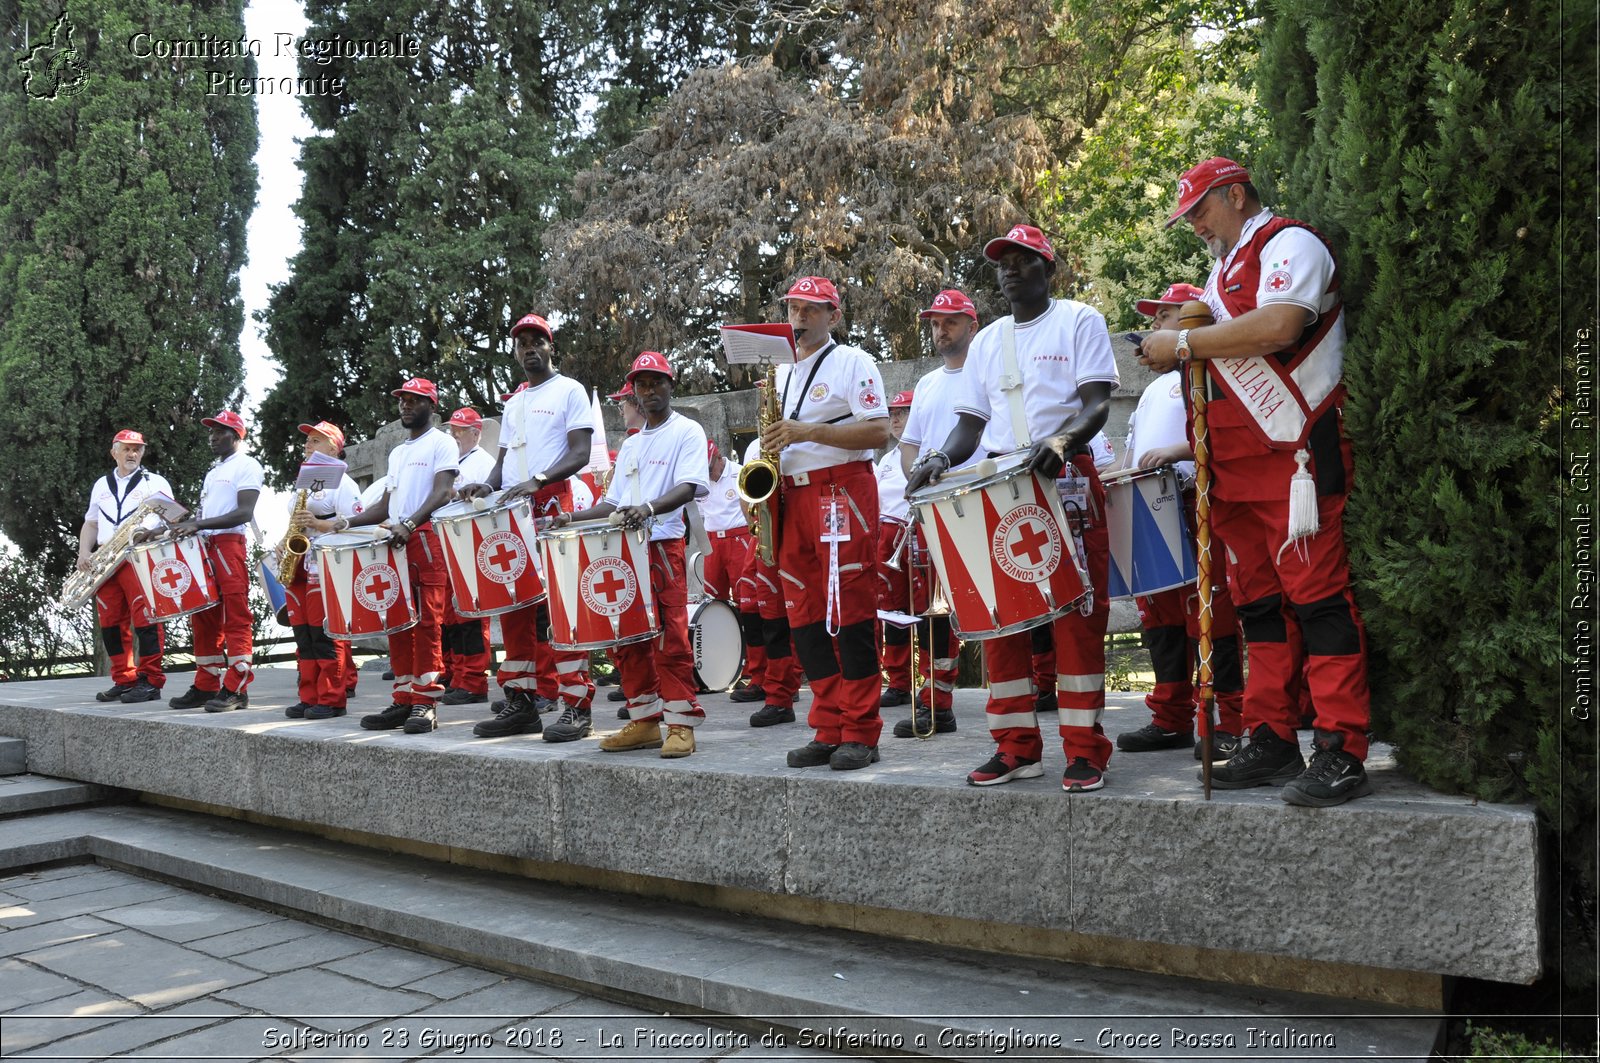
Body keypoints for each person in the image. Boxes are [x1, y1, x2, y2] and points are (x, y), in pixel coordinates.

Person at [1137, 156, 1373, 806]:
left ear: (1236, 194)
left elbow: (1279, 326)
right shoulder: (1222, 269)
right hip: (1235, 475)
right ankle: (1270, 733)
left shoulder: (1288, 244)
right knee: (1261, 609)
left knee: (1321, 602)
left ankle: (1341, 746)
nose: (1193, 226)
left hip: (1294, 462)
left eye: (1200, 211)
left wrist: (1184, 344)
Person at [905, 225, 1119, 792]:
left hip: (1064, 478)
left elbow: (1098, 402)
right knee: (997, 618)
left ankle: (1084, 749)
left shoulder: (1079, 319)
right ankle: (1016, 747)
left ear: (1049, 268)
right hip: (997, 487)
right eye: (1002, 262)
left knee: (1077, 618)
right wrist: (937, 459)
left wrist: (1063, 442)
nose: (1009, 270)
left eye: (1023, 261)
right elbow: (971, 426)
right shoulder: (990, 339)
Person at [1110, 283, 1245, 759]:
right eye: (1155, 318)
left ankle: (1229, 719)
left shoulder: (1210, 371)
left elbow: (1228, 433)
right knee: (1160, 616)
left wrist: (1176, 451)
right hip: (1150, 504)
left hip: (1194, 502)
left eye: (1164, 317)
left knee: (1212, 613)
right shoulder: (1151, 388)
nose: (1154, 328)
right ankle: (1170, 717)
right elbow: (1131, 447)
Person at [763, 276, 891, 771]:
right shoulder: (777, 373)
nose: (799, 316)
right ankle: (828, 724)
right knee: (804, 615)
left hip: (840, 491)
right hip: (790, 499)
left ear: (833, 316)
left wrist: (805, 430)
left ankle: (861, 730)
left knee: (851, 608)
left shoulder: (853, 361)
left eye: (812, 309)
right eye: (794, 307)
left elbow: (879, 430)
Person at [555, 352, 710, 757]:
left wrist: (648, 509)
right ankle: (644, 720)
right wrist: (571, 517)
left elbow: (690, 485)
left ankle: (679, 723)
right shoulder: (631, 445)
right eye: (642, 385)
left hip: (662, 547)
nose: (649, 390)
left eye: (656, 382)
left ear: (670, 384)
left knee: (670, 638)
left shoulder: (687, 431)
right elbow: (611, 504)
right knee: (626, 638)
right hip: (623, 551)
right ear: (635, 392)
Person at [465, 313, 595, 741]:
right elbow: (503, 465)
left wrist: (538, 480)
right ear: (516, 351)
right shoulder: (513, 401)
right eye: (522, 343)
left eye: (537, 340)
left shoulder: (569, 390)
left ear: (550, 345)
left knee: (563, 611)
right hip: (513, 512)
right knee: (515, 608)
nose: (529, 348)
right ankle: (521, 703)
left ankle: (576, 705)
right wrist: (486, 484)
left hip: (554, 506)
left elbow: (579, 454)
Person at [342, 378, 458, 733]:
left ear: (431, 405)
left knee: (426, 624)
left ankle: (425, 702)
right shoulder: (397, 452)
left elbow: (443, 492)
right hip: (396, 539)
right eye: (402, 400)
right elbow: (385, 505)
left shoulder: (442, 442)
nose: (406, 405)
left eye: (414, 400)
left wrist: (408, 523)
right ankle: (404, 697)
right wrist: (343, 522)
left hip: (425, 537)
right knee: (397, 621)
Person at [893, 288, 981, 738]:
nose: (940, 329)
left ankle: (1016, 700)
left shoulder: (984, 373)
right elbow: (909, 445)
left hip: (976, 502)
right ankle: (936, 701)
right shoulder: (927, 384)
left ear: (972, 325)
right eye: (933, 323)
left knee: (980, 605)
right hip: (932, 506)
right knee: (937, 613)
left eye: (949, 321)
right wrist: (917, 477)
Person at [163, 411, 263, 712]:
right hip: (206, 544)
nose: (213, 437)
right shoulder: (213, 471)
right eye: (211, 432)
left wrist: (199, 525)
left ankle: (236, 687)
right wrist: (168, 528)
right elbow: (205, 517)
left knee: (236, 614)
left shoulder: (247, 465)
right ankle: (206, 683)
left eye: (220, 432)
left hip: (229, 544)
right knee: (203, 613)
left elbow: (244, 512)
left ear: (236, 435)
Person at [77, 429, 174, 704]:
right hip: (106, 559)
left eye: (138, 449)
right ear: (114, 452)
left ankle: (151, 680)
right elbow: (92, 522)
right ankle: (124, 678)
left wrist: (152, 533)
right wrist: (85, 551)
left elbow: (171, 517)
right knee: (110, 623)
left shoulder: (155, 481)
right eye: (127, 449)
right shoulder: (100, 484)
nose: (133, 454)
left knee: (146, 619)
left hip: (139, 556)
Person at [280, 420, 363, 720]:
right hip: (299, 561)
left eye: (315, 440)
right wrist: (283, 541)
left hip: (326, 562)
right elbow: (296, 519)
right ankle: (309, 696)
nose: (307, 445)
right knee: (303, 634)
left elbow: (358, 524)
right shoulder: (305, 479)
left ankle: (332, 698)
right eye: (307, 440)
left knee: (324, 634)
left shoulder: (344, 483)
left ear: (333, 447)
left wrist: (319, 525)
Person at [732, 428, 805, 725]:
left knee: (804, 619)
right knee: (771, 620)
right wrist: (760, 528)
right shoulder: (754, 448)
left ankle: (797, 688)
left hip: (801, 532)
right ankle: (778, 697)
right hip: (768, 537)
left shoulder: (803, 436)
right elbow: (746, 493)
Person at [437, 407, 495, 707]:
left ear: (476, 432)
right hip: (451, 545)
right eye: (453, 429)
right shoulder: (455, 460)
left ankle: (473, 680)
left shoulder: (484, 463)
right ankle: (455, 674)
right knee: (451, 618)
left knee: (469, 617)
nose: (454, 434)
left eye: (461, 430)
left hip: (470, 546)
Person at [875, 391, 916, 708]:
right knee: (892, 613)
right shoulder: (885, 462)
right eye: (893, 413)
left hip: (916, 533)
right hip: (887, 540)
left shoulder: (927, 450)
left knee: (928, 611)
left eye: (903, 412)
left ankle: (934, 682)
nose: (896, 419)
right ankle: (900, 682)